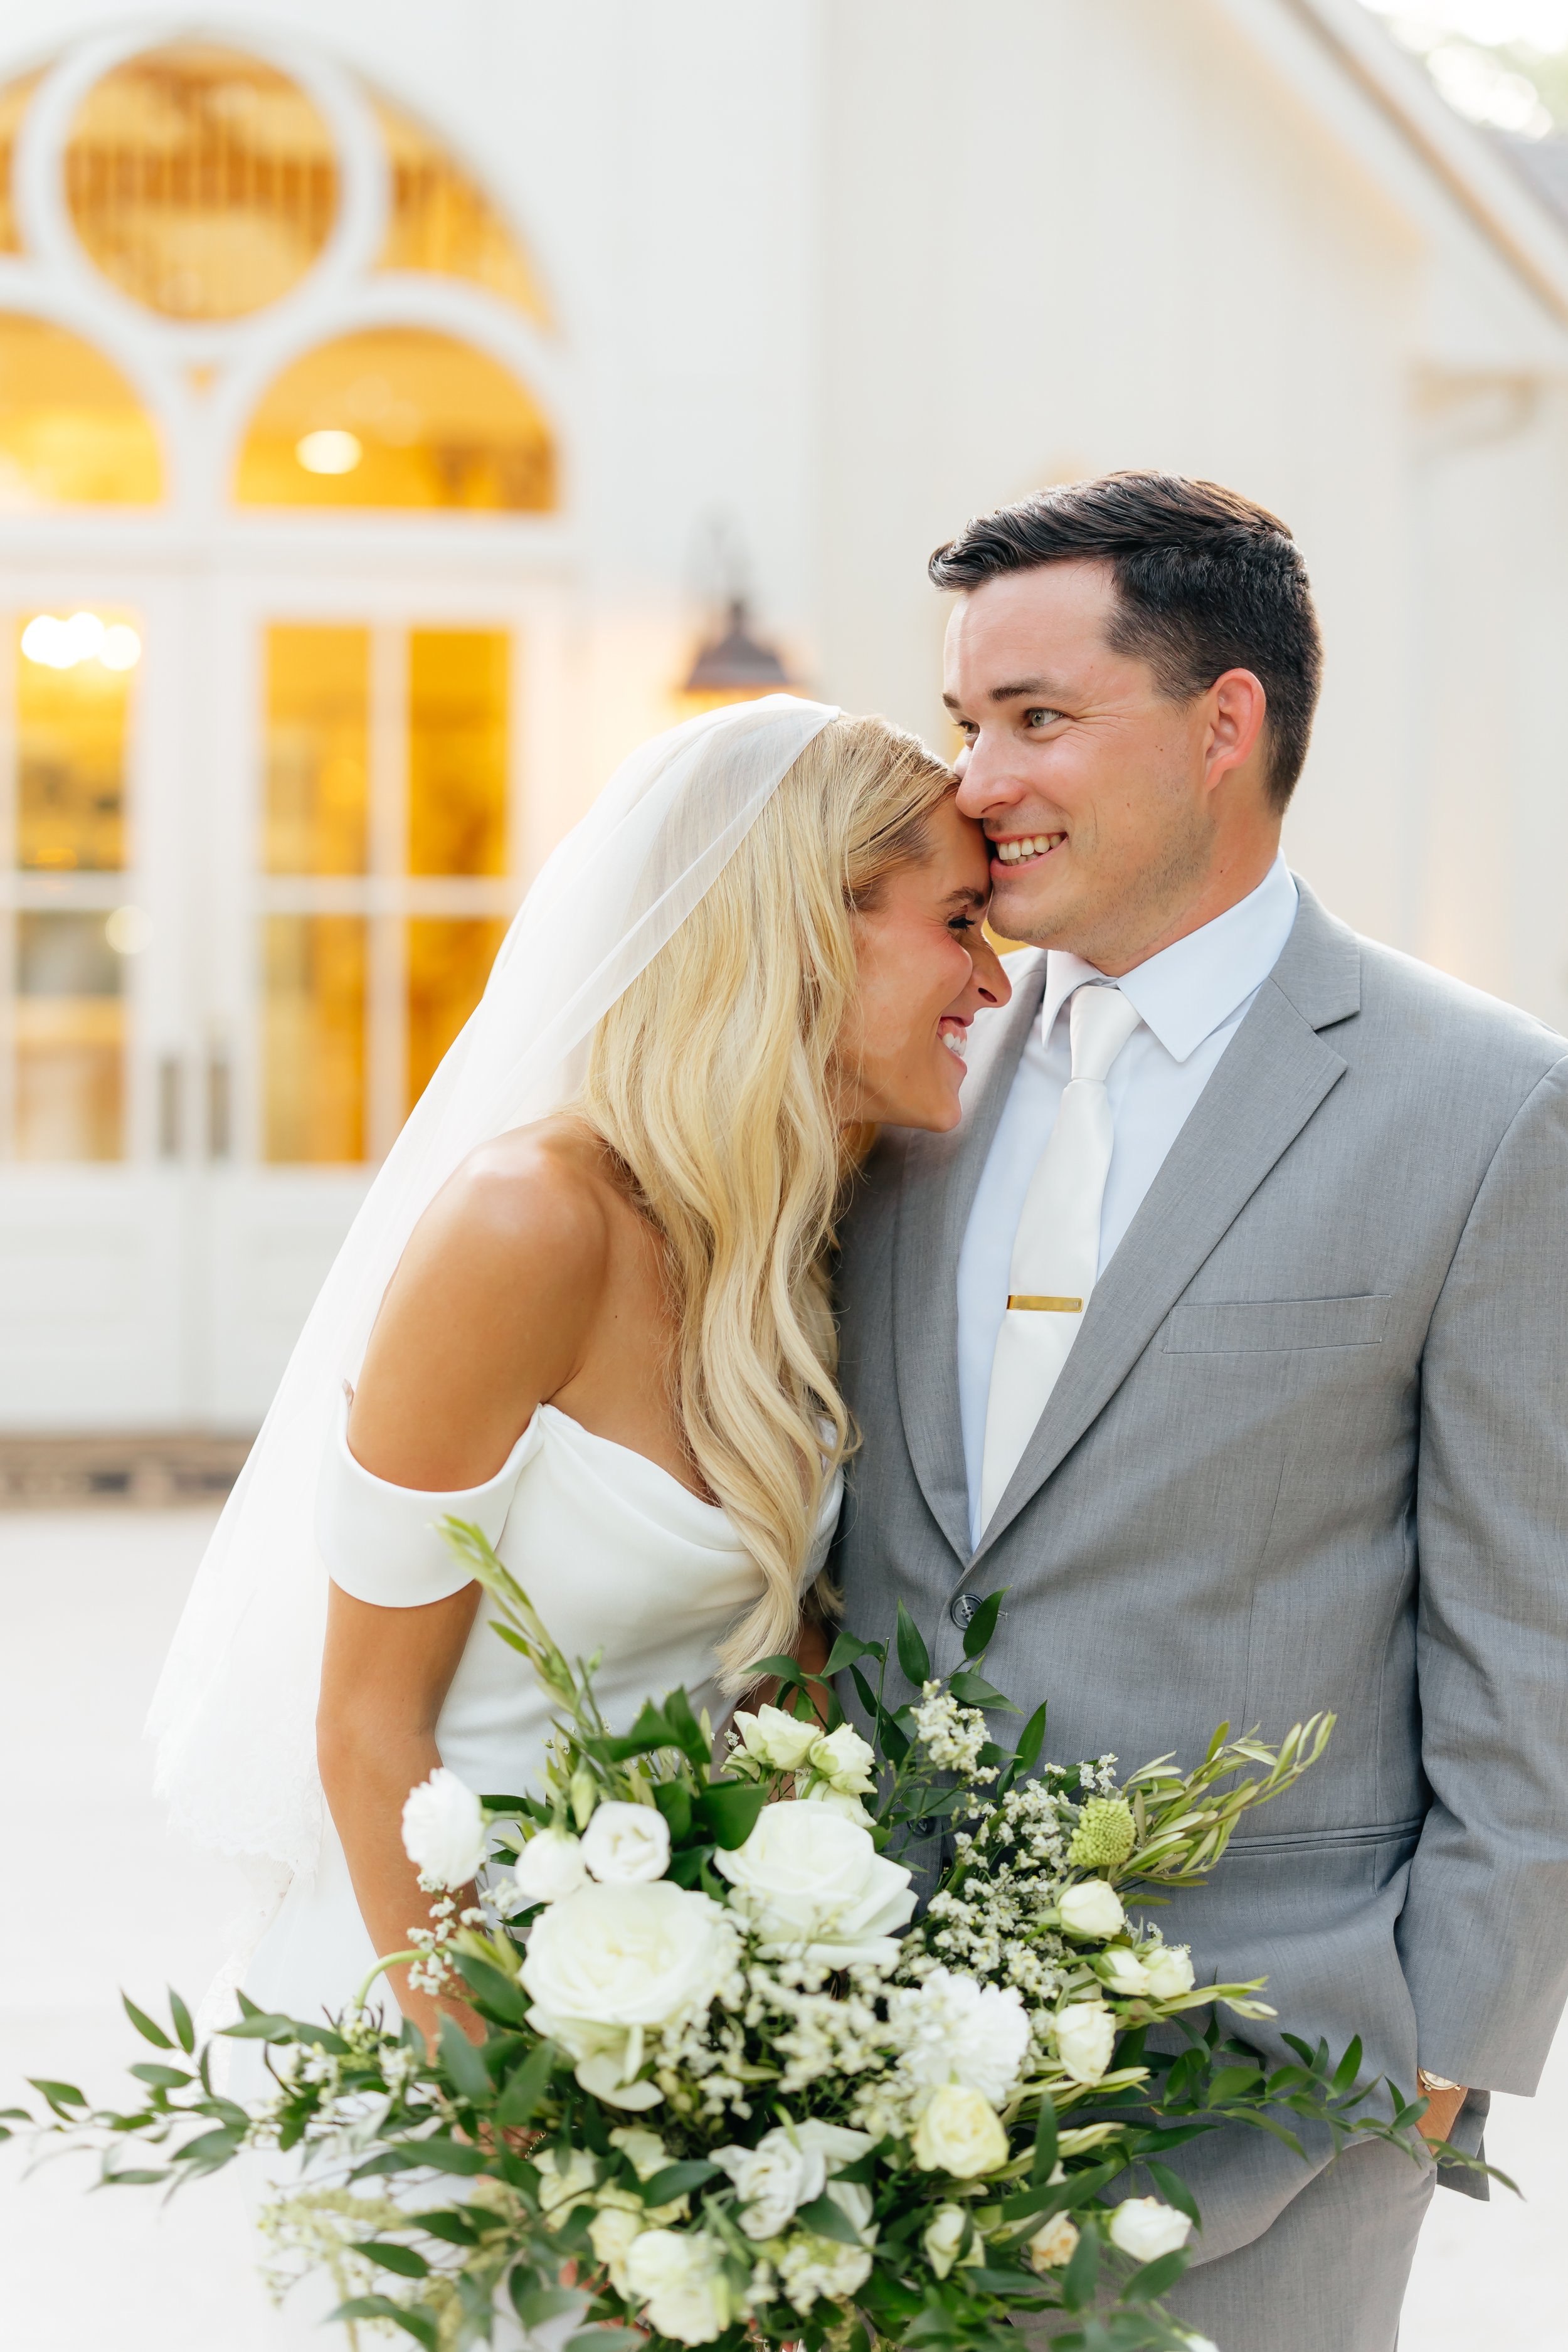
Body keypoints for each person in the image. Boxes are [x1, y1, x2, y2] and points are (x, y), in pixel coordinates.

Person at [830, 474, 1568, 2352]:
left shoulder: (1484, 1109)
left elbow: (1525, 1629)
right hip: (860, 2055)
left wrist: (1439, 2054)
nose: (976, 778)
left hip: (1280, 2089)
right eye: (964, 721)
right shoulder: (897, 1062)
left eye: (1035, 717)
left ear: (1223, 722)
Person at [151, 696, 1007, 2071]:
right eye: (959, 922)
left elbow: (771, 1669)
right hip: (443, 2002)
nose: (994, 982)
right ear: (808, 920)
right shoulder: (526, 1223)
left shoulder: (789, 1237)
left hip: (673, 2020)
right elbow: (367, 1730)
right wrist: (518, 2120)